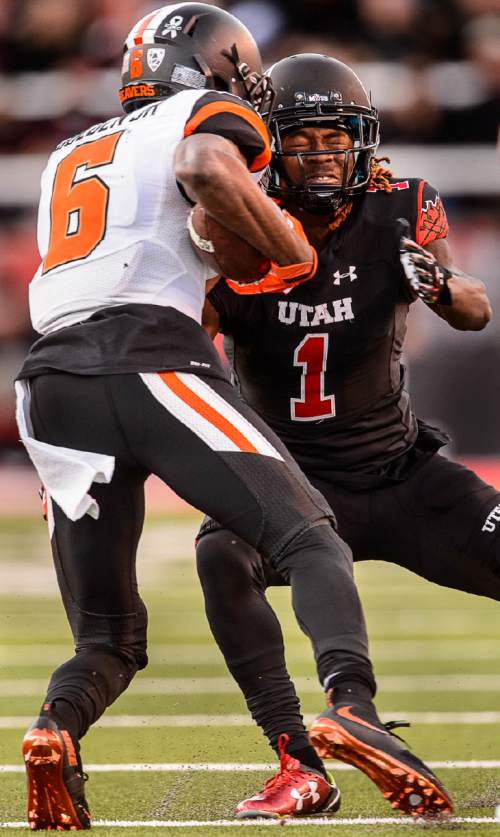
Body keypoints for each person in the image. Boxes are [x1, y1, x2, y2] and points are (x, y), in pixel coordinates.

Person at [14, 7, 397, 830]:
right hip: (145, 349)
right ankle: (350, 708)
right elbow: (199, 163)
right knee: (309, 537)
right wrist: (293, 254)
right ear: (211, 65)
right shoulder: (195, 117)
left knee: (108, 638)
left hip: (49, 378)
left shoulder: (64, 153)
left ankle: (55, 728)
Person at [197, 52, 494, 818]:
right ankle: (303, 755)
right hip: (290, 486)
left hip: (402, 473)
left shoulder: (404, 204)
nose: (322, 155)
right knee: (220, 553)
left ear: (364, 142)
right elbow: (186, 344)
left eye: (336, 139)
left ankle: (345, 719)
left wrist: (436, 282)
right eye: (301, 141)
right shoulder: (236, 223)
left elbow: (473, 310)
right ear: (270, 151)